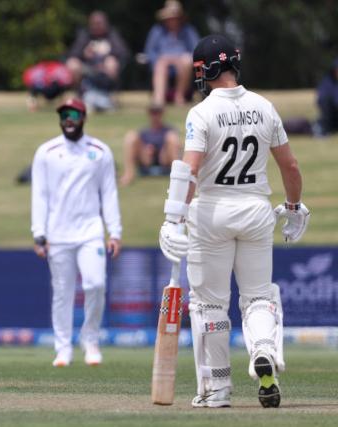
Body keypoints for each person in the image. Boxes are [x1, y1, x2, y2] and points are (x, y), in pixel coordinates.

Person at [158, 35, 309, 408]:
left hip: (211, 212)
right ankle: (263, 351)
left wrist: (173, 219)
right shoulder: (264, 106)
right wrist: (292, 206)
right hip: (256, 209)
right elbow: (289, 165)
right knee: (258, 297)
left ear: (207, 68)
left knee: (210, 305)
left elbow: (189, 171)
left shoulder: (202, 112)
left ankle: (218, 389)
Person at [31, 98, 122, 367]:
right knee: (62, 292)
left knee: (95, 284)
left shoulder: (100, 151)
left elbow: (109, 193)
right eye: (64, 115)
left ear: (83, 117)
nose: (68, 119)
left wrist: (114, 231)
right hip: (57, 234)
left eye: (73, 114)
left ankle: (90, 339)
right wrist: (39, 233)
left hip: (90, 232)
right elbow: (40, 195)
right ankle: (63, 347)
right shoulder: (46, 151)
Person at [66, 11, 130, 112]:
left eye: (99, 23)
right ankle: (79, 95)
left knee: (111, 62)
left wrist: (106, 57)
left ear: (105, 23)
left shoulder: (112, 35)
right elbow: (73, 53)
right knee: (72, 63)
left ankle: (110, 96)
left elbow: (123, 53)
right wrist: (85, 53)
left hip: (106, 70)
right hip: (87, 68)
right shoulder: (85, 35)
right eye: (94, 23)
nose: (97, 26)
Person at [143, 0, 199, 106]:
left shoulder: (188, 31)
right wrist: (162, 59)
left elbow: (197, 50)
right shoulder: (157, 31)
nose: (172, 20)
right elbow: (149, 51)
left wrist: (178, 59)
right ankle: (158, 99)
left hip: (183, 64)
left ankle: (179, 97)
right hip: (162, 64)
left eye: (175, 17)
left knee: (187, 60)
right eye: (170, 17)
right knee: (160, 64)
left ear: (180, 18)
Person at [119, 103, 181, 186]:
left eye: (158, 112)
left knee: (172, 137)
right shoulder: (144, 132)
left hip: (164, 159)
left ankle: (178, 175)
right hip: (147, 159)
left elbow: (176, 146)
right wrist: (147, 149)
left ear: (162, 114)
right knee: (131, 136)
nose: (155, 115)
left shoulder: (169, 130)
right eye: (153, 112)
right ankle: (129, 174)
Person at [314, 57, 338, 137]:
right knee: (326, 101)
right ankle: (322, 130)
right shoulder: (327, 83)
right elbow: (321, 100)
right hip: (331, 116)